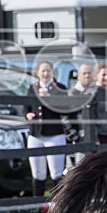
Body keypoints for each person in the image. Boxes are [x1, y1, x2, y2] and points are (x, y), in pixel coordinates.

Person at [25, 61, 69, 197]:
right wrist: (27, 114)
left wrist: (50, 100)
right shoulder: (32, 88)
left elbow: (66, 109)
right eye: (43, 71)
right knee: (38, 172)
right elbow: (25, 106)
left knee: (56, 172)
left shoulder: (60, 88)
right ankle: (37, 201)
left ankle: (58, 202)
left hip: (54, 133)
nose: (45, 74)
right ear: (38, 73)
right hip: (35, 134)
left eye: (48, 71)